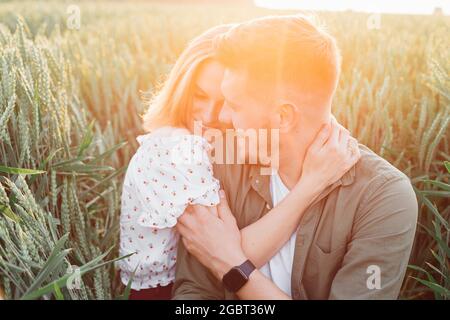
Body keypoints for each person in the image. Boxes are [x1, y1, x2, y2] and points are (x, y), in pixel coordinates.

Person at [173, 15, 418, 300]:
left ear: (283, 116)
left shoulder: (383, 197)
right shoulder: (220, 162)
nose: (222, 117)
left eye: (235, 105)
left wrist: (233, 268)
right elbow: (192, 292)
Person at [118, 23, 359, 300]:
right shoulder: (176, 149)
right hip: (160, 294)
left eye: (228, 101)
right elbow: (223, 254)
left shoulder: (214, 144)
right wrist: (310, 186)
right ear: (181, 88)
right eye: (199, 96)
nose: (211, 114)